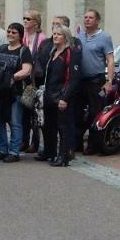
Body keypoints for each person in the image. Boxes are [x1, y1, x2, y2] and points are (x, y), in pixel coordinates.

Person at [0, 22, 33, 161]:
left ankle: (14, 152)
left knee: (15, 122)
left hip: (15, 92)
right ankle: (2, 149)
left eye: (13, 32)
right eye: (8, 31)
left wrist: (12, 78)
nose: (10, 34)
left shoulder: (24, 50)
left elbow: (27, 70)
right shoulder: (2, 48)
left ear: (20, 35)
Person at [40, 24, 80, 166]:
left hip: (62, 96)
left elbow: (74, 79)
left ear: (65, 37)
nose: (55, 36)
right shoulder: (53, 52)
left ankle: (64, 156)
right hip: (50, 95)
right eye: (54, 34)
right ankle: (50, 152)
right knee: (49, 125)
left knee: (63, 127)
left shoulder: (70, 53)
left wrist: (65, 98)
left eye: (59, 34)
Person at [78, 8, 115, 150]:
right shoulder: (80, 36)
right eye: (85, 17)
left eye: (90, 18)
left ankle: (93, 145)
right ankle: (77, 144)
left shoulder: (104, 37)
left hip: (96, 81)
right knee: (78, 112)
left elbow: (110, 60)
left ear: (97, 21)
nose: (87, 19)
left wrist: (109, 81)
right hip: (80, 81)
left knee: (95, 113)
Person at [20, 10, 47, 152]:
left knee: (35, 112)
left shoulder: (41, 38)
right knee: (24, 110)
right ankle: (23, 140)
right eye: (24, 18)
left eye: (28, 19)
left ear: (36, 22)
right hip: (24, 79)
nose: (25, 21)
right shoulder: (22, 36)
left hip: (36, 79)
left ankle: (34, 142)